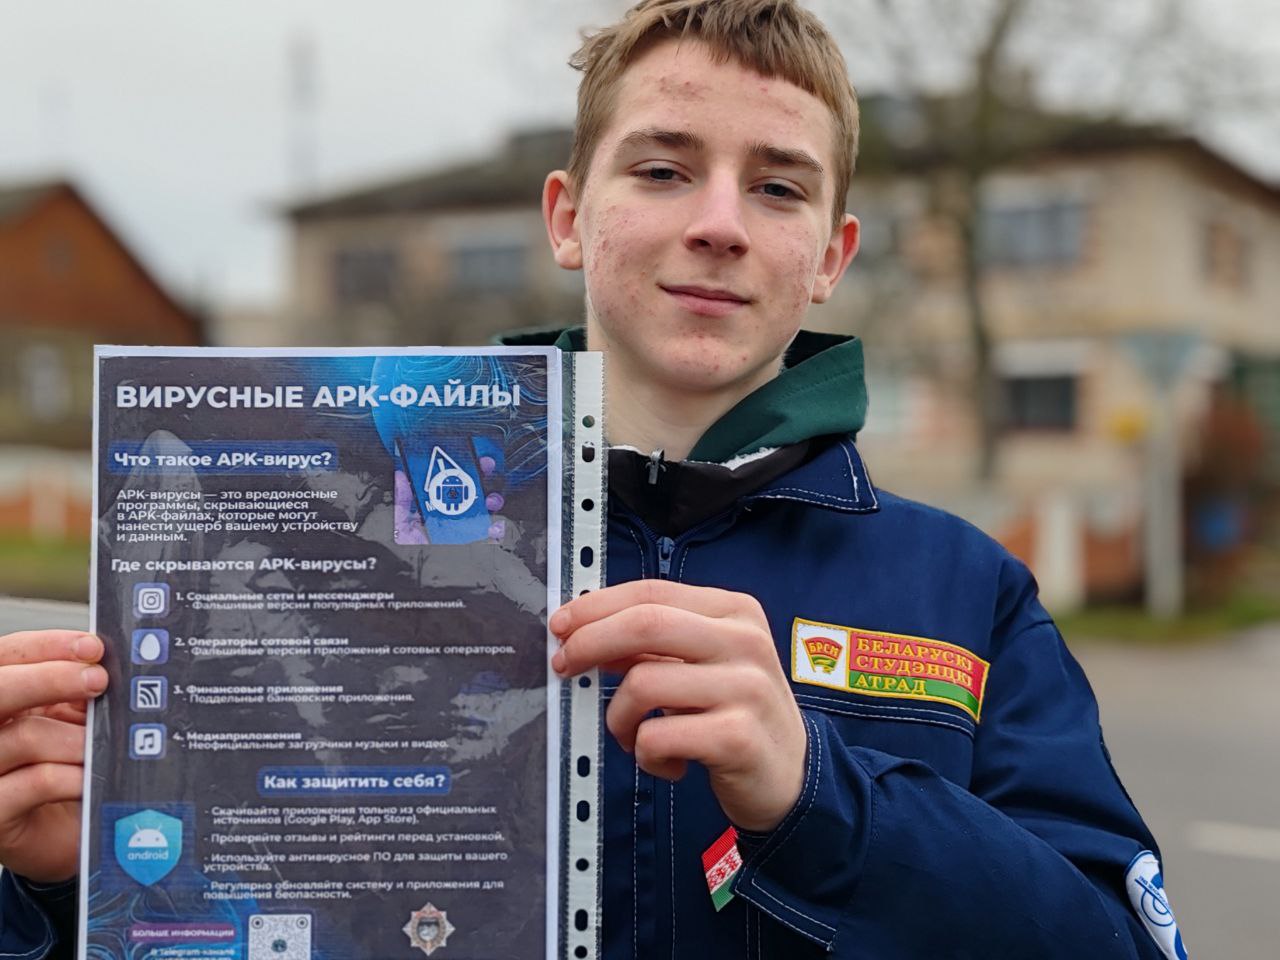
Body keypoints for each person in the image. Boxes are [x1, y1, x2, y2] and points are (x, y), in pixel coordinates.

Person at [0, 1, 1187, 957]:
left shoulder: (966, 593)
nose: (718, 223)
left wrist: (821, 794)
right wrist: (60, 893)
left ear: (829, 255)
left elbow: (1120, 943)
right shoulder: (332, 545)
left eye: (776, 186)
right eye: (662, 170)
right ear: (568, 217)